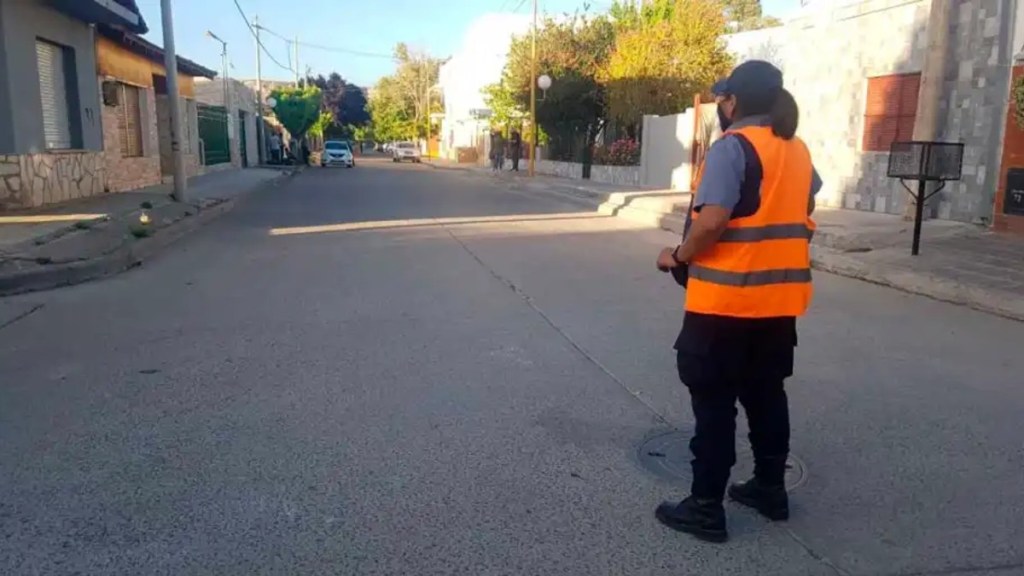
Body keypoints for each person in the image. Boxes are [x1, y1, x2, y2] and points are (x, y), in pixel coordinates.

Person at [653, 60, 822, 543]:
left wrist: (676, 256)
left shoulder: (732, 149)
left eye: (724, 99)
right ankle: (770, 490)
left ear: (735, 102)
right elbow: (803, 205)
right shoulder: (797, 149)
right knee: (767, 397)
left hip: (723, 306)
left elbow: (712, 221)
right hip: (777, 305)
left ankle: (705, 507)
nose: (722, 106)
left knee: (714, 407)